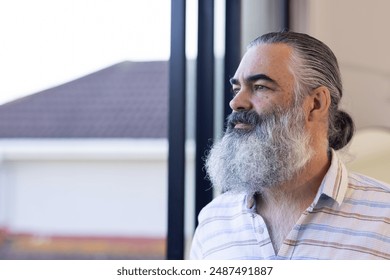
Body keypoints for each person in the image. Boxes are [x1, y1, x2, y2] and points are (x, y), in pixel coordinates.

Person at [189, 31, 390, 260]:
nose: (236, 102)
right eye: (237, 89)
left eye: (260, 87)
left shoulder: (384, 216)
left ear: (315, 103)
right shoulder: (214, 220)